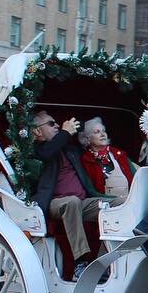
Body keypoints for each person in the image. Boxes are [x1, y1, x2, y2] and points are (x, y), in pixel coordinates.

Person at [32, 109, 103, 272]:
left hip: (83, 202)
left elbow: (83, 142)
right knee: (72, 202)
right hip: (54, 204)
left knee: (118, 204)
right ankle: (81, 261)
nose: (57, 125)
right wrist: (64, 133)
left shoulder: (68, 148)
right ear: (37, 131)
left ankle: (105, 260)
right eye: (51, 123)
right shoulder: (37, 150)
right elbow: (46, 153)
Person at [78, 117, 134, 203]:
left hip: (130, 201)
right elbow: (91, 191)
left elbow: (136, 177)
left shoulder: (119, 154)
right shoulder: (85, 160)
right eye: (97, 132)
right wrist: (115, 200)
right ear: (87, 138)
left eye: (103, 131)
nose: (103, 134)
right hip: (105, 205)